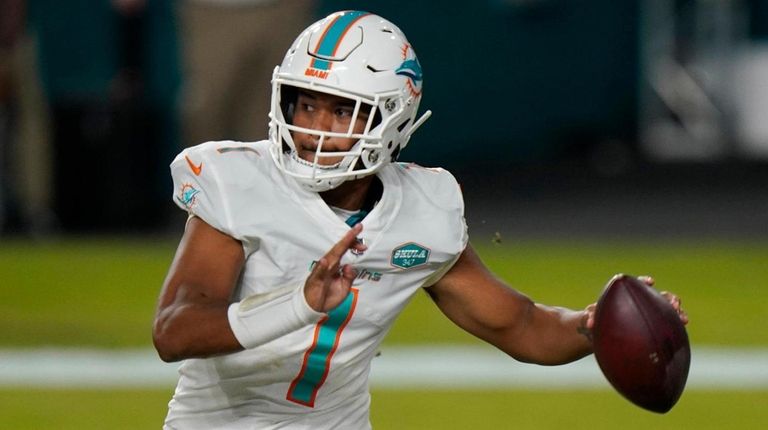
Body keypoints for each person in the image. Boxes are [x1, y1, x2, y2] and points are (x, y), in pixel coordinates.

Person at [153, 10, 688, 429]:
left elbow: (521, 326)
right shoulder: (239, 181)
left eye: (341, 111)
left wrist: (593, 328)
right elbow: (174, 330)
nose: (315, 128)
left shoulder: (421, 211)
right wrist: (299, 304)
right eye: (305, 104)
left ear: (393, 118)